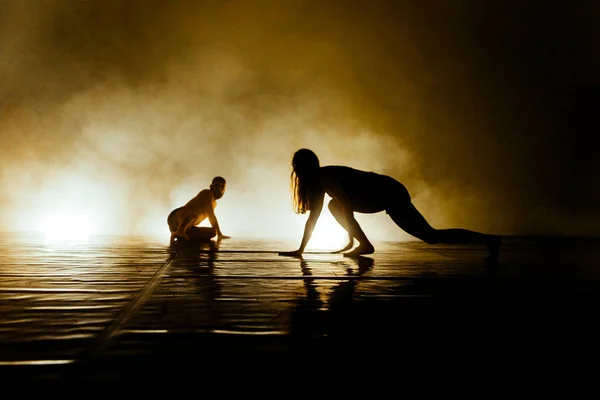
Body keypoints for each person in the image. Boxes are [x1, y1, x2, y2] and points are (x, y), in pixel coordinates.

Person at [278, 149, 501, 260]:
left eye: (298, 167)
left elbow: (347, 209)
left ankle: (488, 240)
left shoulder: (326, 178)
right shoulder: (318, 184)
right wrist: (301, 250)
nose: (296, 172)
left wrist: (353, 240)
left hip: (388, 191)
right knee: (333, 207)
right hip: (379, 194)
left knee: (431, 236)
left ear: (306, 167)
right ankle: (365, 245)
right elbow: (313, 218)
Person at [167, 176, 231, 243]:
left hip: (188, 227)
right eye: (216, 186)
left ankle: (180, 234)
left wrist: (219, 234)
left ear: (224, 191)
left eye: (222, 187)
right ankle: (180, 230)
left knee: (213, 232)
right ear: (211, 187)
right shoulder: (207, 193)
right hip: (176, 217)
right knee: (194, 215)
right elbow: (211, 215)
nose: (219, 189)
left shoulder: (214, 203)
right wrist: (220, 234)